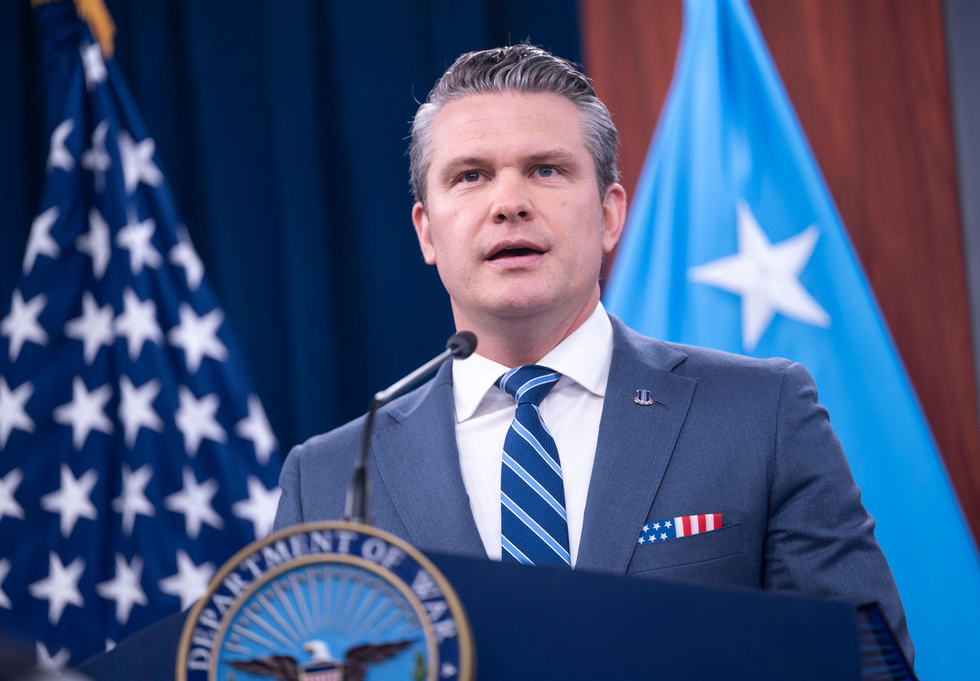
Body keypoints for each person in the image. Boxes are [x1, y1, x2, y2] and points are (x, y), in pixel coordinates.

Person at [274, 43, 912, 660]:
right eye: (470, 177)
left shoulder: (761, 413)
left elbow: (858, 663)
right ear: (427, 231)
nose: (509, 203)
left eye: (546, 170)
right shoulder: (327, 478)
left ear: (610, 215)